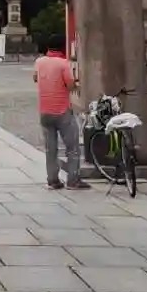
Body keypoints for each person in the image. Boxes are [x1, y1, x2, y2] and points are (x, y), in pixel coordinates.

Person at [33, 40, 88, 191]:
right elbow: (70, 84)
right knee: (72, 147)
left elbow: (35, 78)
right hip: (62, 111)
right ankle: (73, 181)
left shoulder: (39, 62)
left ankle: (52, 180)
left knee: (50, 149)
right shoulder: (63, 63)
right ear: (62, 48)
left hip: (45, 111)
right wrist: (77, 86)